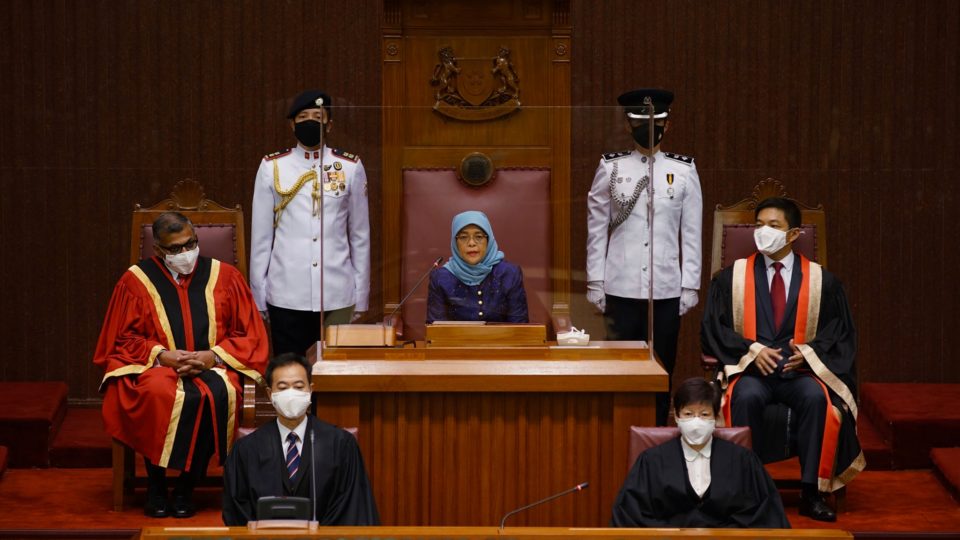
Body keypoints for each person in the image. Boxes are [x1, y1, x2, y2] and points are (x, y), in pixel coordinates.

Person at [94, 212, 269, 518]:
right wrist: (162, 355)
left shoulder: (225, 276)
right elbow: (121, 339)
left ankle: (187, 486)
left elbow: (249, 333)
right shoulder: (136, 281)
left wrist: (211, 356)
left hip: (215, 364)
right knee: (157, 393)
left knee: (215, 394)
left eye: (190, 244)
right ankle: (157, 484)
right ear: (159, 250)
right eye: (175, 249)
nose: (185, 253)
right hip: (159, 369)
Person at [701, 197, 864, 522]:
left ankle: (811, 493)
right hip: (751, 372)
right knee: (743, 397)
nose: (764, 232)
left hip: (799, 374)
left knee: (817, 399)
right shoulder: (730, 278)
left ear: (793, 234)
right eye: (759, 224)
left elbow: (839, 333)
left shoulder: (822, 281)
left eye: (773, 226)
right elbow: (711, 329)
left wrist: (806, 355)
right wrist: (752, 350)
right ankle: (745, 492)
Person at [586, 88, 703, 426]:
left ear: (667, 125)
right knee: (620, 370)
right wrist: (596, 279)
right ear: (628, 125)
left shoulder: (683, 170)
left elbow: (691, 232)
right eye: (639, 122)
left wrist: (689, 285)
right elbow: (596, 228)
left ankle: (655, 434)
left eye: (655, 122)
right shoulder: (611, 167)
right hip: (620, 286)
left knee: (661, 369)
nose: (647, 128)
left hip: (666, 288)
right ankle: (619, 433)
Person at [250, 89, 371, 356]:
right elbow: (260, 239)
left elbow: (360, 236)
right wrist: (259, 295)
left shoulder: (349, 167)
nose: (309, 122)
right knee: (291, 374)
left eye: (317, 116)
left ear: (329, 123)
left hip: (337, 293)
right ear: (292, 124)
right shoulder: (272, 167)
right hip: (286, 292)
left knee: (336, 378)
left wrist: (360, 295)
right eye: (302, 117)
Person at [222, 353, 379, 526]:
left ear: (310, 390)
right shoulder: (246, 450)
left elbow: (351, 507)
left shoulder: (340, 444)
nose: (291, 394)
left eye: (298, 386)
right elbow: (237, 512)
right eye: (282, 387)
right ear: (269, 393)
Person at [611, 378, 790, 528]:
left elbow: (766, 513)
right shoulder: (651, 461)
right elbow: (629, 515)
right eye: (688, 413)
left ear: (715, 417)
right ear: (677, 416)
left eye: (704, 414)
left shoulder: (743, 460)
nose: (696, 421)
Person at [426, 210, 528, 323]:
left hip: (504, 340)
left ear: (488, 240)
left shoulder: (509, 274)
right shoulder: (440, 278)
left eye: (479, 236)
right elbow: (435, 331)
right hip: (454, 341)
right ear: (455, 243)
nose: (471, 243)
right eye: (463, 237)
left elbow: (520, 328)